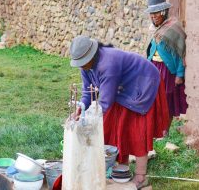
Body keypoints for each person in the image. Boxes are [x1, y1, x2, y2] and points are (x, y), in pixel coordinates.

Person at [70, 35, 170, 189]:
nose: (81, 66)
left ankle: (141, 176)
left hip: (143, 83)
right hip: (122, 87)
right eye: (79, 63)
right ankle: (121, 169)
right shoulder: (86, 66)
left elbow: (105, 102)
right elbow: (87, 92)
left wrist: (89, 120)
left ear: (91, 55)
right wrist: (80, 108)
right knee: (118, 128)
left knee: (137, 132)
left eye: (83, 62)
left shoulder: (107, 64)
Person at [146, 0, 187, 126]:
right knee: (153, 98)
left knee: (167, 99)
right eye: (151, 13)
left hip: (167, 70)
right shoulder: (154, 29)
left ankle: (165, 130)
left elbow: (180, 54)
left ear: (163, 11)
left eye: (156, 13)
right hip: (153, 68)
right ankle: (155, 127)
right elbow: (151, 49)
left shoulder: (174, 28)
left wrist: (180, 75)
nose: (153, 16)